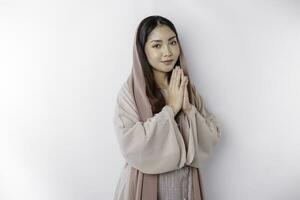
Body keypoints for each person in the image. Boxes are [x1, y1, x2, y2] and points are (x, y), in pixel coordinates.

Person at [113, 15, 221, 200]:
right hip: (144, 184)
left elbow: (212, 135)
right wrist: (170, 108)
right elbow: (131, 144)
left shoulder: (186, 87)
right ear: (142, 51)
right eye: (157, 45)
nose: (168, 52)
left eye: (172, 42)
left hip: (184, 185)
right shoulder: (130, 93)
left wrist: (189, 111)